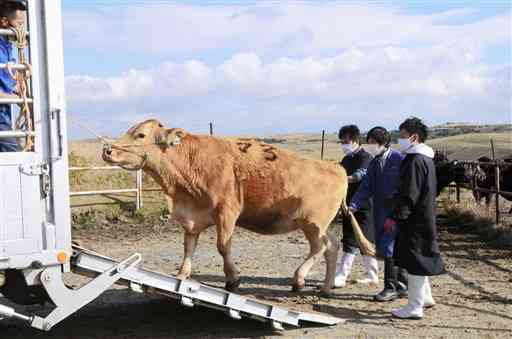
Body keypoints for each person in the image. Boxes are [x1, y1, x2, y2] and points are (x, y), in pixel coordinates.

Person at [387, 117, 445, 319]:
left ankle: (414, 306)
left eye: (402, 136)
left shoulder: (415, 161)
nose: (399, 139)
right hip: (423, 215)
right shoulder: (426, 158)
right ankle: (426, 297)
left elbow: (409, 193)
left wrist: (396, 217)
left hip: (414, 219)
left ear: (414, 137)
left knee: (414, 262)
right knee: (419, 259)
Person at [349, 126, 407, 302]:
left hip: (396, 211)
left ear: (384, 143)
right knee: (389, 247)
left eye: (373, 142)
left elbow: (405, 187)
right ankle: (402, 286)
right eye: (369, 142)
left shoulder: (399, 160)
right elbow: (366, 187)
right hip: (380, 210)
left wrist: (400, 210)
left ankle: (391, 287)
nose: (370, 145)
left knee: (391, 247)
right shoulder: (374, 163)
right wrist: (353, 205)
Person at [334, 124, 378, 288]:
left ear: (354, 140)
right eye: (341, 141)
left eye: (345, 141)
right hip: (348, 203)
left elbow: (362, 174)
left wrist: (345, 179)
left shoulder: (365, 157)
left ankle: (366, 275)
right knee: (349, 238)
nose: (343, 144)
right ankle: (345, 274)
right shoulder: (346, 159)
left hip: (364, 205)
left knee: (364, 240)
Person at [0, 0, 26, 152]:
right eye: (19, 23)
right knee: (15, 155)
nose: (21, 29)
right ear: (4, 21)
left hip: (4, 115)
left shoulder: (6, 46)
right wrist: (18, 99)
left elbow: (9, 80)